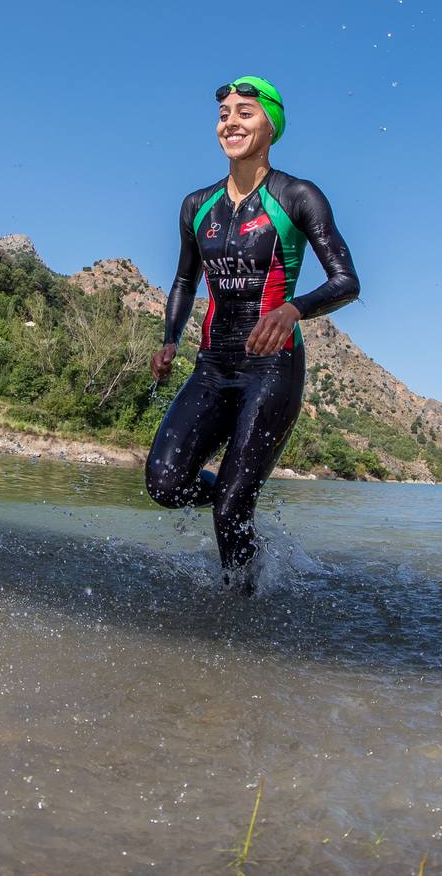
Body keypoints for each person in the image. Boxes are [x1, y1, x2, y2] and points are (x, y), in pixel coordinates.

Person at [145, 76, 360, 594]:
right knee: (165, 483)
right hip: (212, 367)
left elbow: (346, 281)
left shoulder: (297, 195)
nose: (230, 122)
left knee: (230, 507)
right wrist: (171, 337)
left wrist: (293, 309)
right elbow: (183, 279)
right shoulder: (196, 204)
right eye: (224, 114)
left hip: (273, 368)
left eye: (244, 112)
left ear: (271, 125)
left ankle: (241, 607)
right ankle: (238, 509)